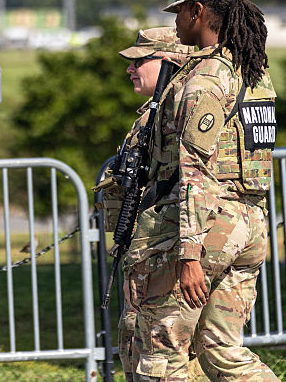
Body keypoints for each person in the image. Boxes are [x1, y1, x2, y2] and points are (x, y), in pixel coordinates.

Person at [125, 0, 279, 381]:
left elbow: (195, 169)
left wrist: (188, 253)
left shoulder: (206, 79)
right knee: (221, 350)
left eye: (178, 12)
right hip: (249, 224)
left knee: (162, 349)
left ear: (197, 10)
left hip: (207, 228)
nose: (174, 23)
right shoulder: (254, 74)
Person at [101, 27, 194, 379]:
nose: (130, 69)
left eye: (140, 61)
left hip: (165, 247)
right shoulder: (154, 113)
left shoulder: (175, 111)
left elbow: (188, 181)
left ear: (169, 61)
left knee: (159, 352)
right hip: (149, 245)